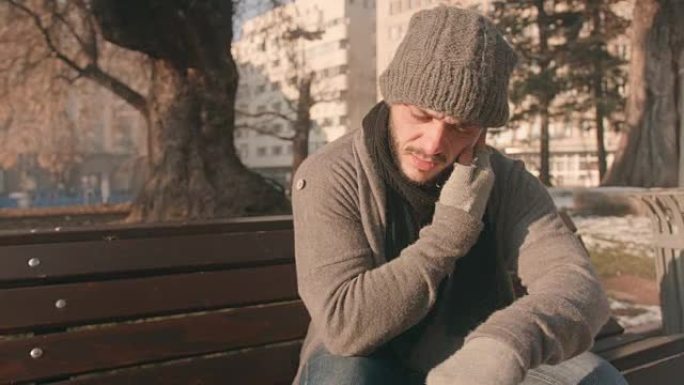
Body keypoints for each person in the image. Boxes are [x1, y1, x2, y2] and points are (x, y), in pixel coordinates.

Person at [291, 6, 627, 385]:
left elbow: (576, 285)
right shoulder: (330, 174)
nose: (434, 143)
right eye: (421, 115)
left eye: (461, 126)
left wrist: (504, 346)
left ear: (482, 132)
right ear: (392, 98)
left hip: (471, 350)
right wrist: (451, 230)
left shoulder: (504, 179)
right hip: (363, 356)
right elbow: (345, 326)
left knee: (600, 381)